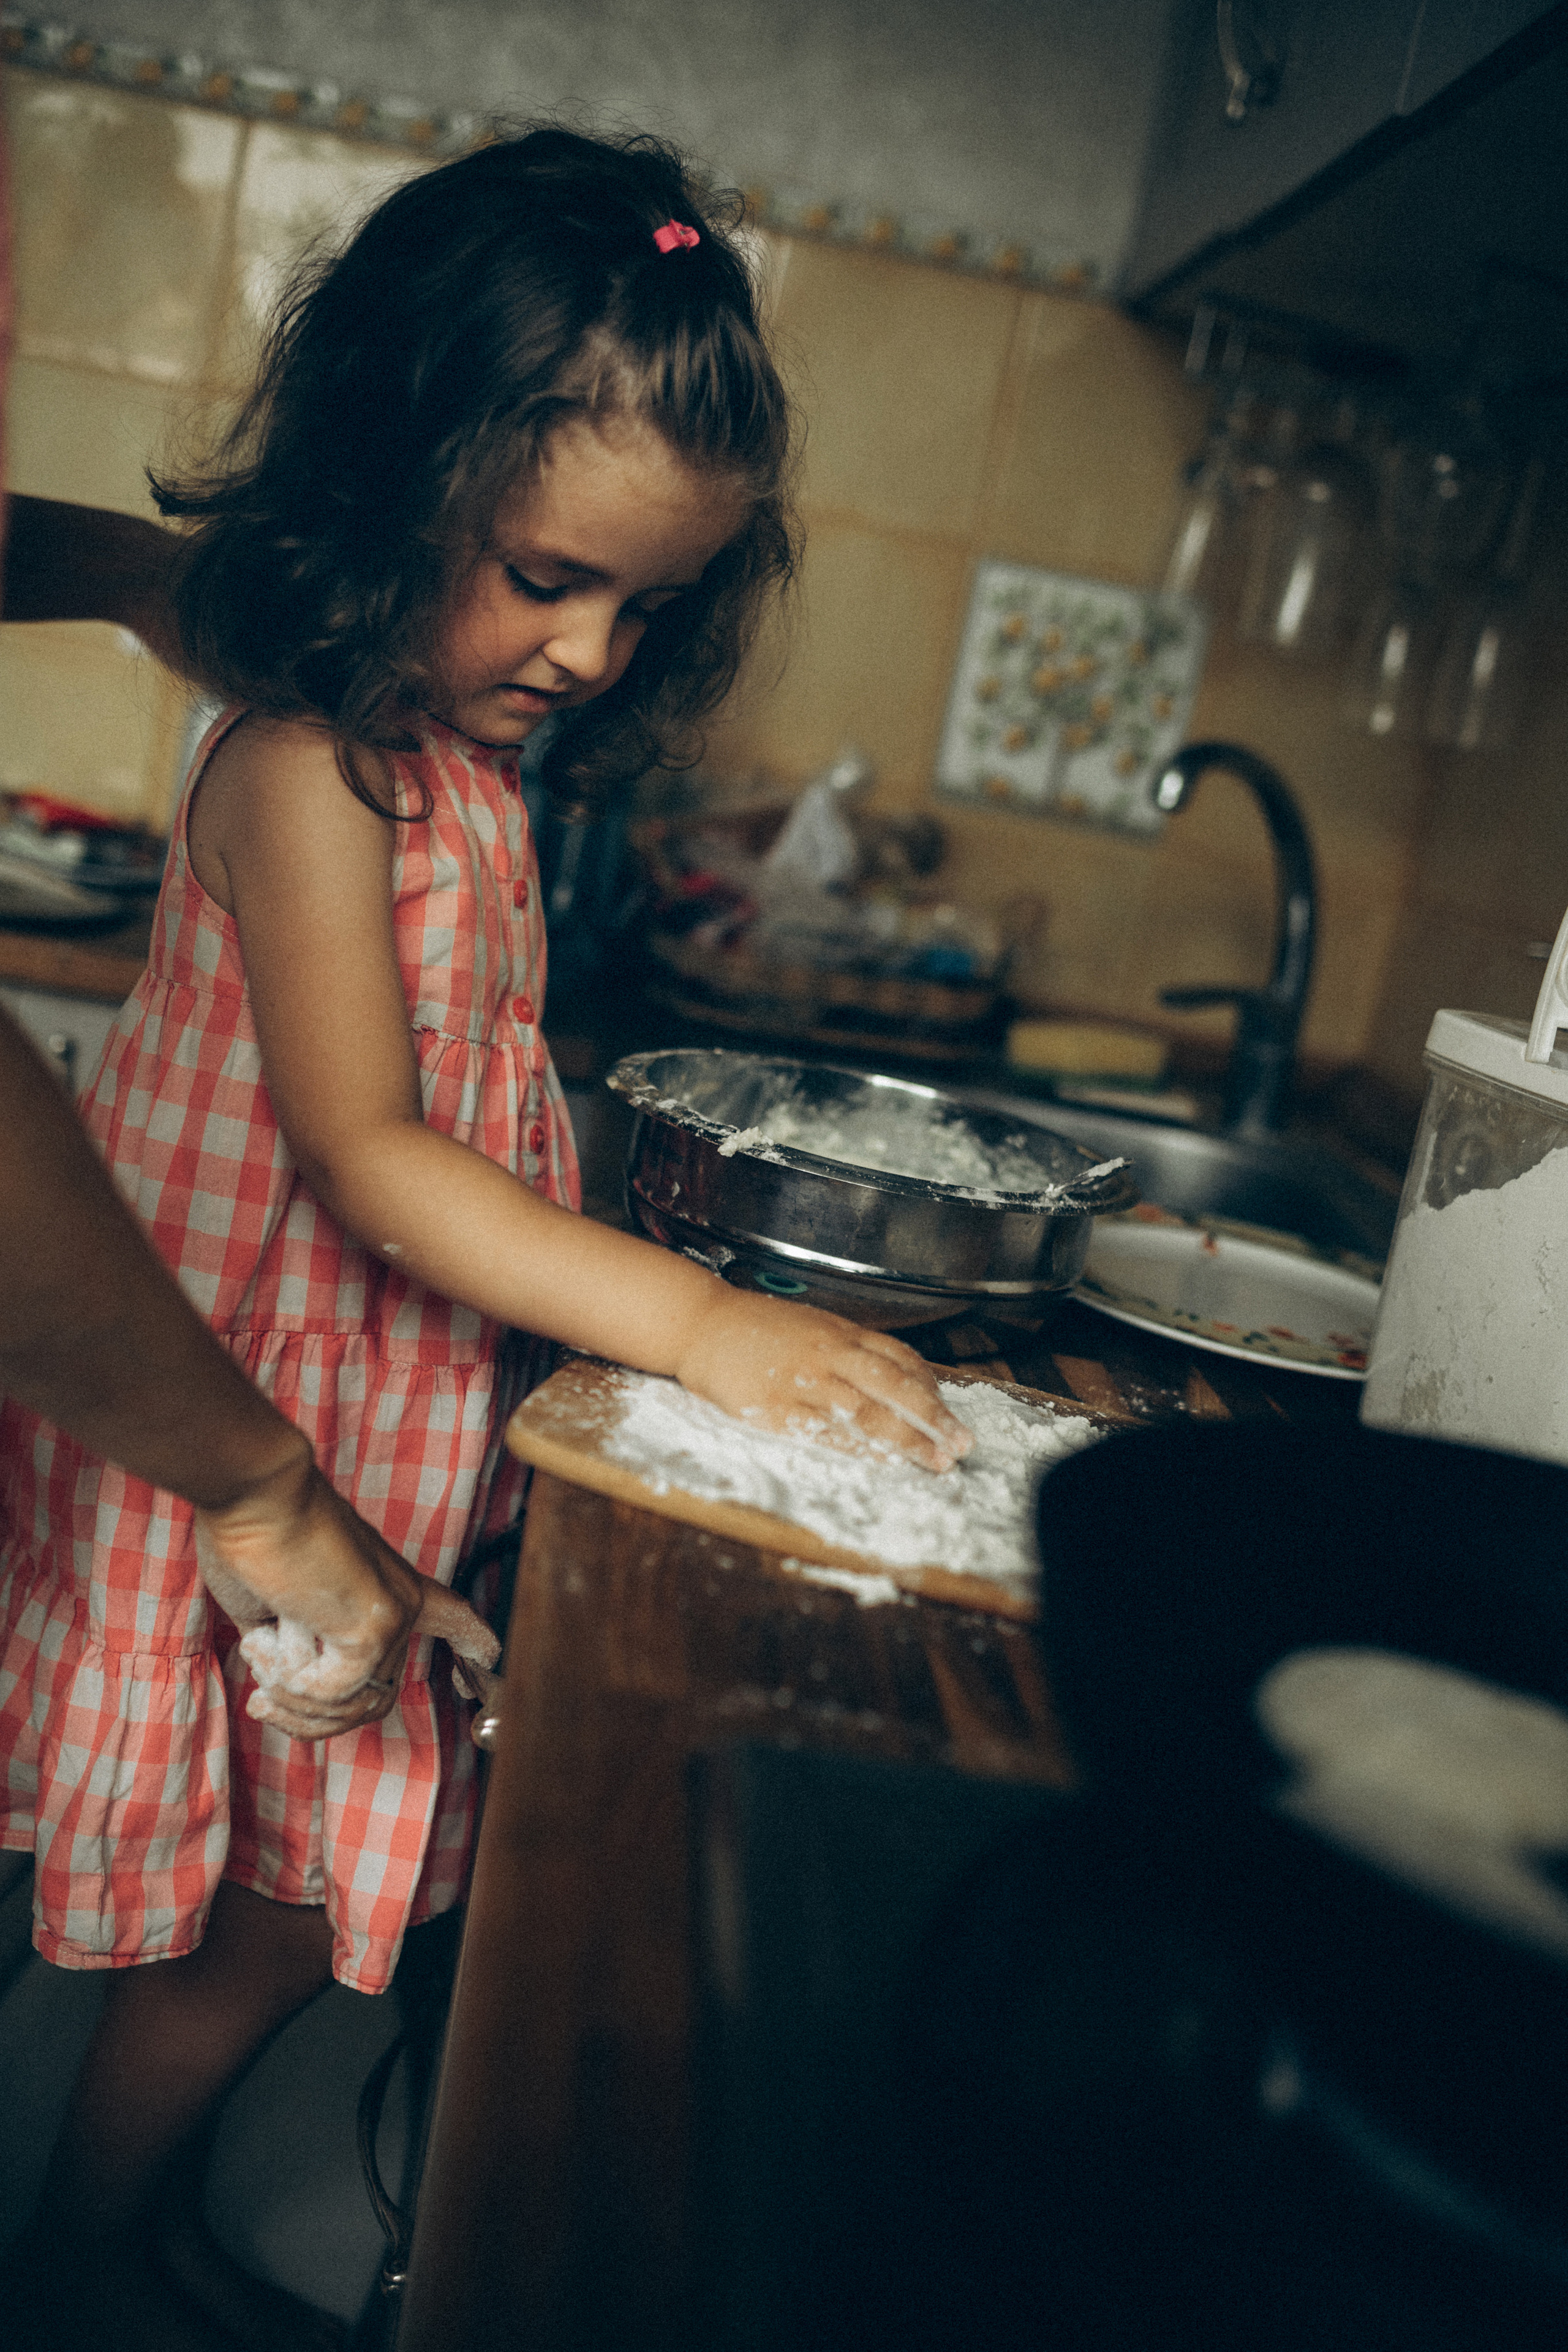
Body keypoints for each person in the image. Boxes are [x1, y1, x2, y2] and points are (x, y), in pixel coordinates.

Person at [0, 124, 968, 2347]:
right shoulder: (311, 766)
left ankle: (90, 2226)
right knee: (207, 1891)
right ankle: (68, 2242)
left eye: (640, 604)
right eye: (544, 576)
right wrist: (704, 1328)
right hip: (216, 1439)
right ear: (388, 477)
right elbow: (365, 1157)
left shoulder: (461, 768)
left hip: (354, 1427)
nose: (588, 650)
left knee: (257, 1896)